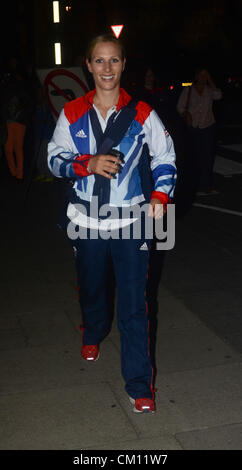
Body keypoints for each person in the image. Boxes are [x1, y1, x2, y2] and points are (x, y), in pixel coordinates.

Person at [47, 34, 176, 413]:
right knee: (92, 287)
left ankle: (139, 386)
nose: (107, 68)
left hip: (131, 220)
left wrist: (160, 196)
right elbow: (53, 159)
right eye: (99, 61)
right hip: (86, 220)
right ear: (88, 65)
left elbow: (165, 157)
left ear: (123, 65)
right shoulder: (71, 112)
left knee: (135, 304)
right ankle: (93, 329)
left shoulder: (141, 113)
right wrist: (86, 163)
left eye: (114, 61)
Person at [177, 67, 222, 196]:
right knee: (194, 158)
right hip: (193, 128)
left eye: (205, 75)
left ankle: (206, 186)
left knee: (207, 158)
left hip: (208, 127)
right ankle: (193, 186)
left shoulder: (209, 90)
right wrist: (187, 114)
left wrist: (211, 80)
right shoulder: (189, 89)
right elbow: (180, 106)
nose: (203, 78)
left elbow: (218, 95)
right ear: (196, 76)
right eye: (201, 75)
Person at [2, 58, 32, 180]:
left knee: (17, 148)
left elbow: (28, 102)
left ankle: (19, 174)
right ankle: (14, 172)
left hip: (20, 120)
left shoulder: (23, 85)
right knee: (8, 148)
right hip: (9, 120)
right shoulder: (6, 86)